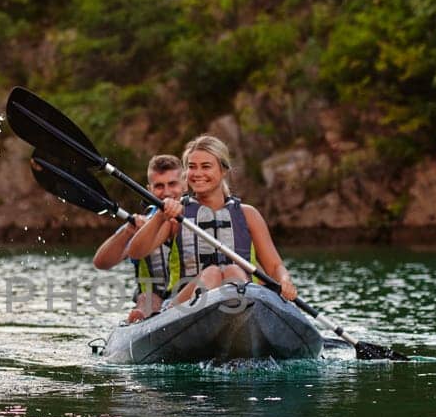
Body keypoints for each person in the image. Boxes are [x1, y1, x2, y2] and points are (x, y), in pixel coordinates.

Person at [126, 134, 297, 304]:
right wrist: (159, 217)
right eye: (192, 167)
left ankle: (239, 316)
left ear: (223, 170)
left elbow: (274, 267)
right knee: (212, 273)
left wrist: (284, 280)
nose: (198, 173)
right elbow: (136, 252)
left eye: (206, 166)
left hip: (241, 298)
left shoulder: (248, 214)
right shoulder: (176, 215)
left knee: (233, 271)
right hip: (183, 305)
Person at [92, 155, 184, 322]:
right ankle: (140, 319)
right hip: (152, 302)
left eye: (172, 184)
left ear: (184, 184)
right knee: (147, 298)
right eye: (159, 186)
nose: (167, 192)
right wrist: (127, 231)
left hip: (188, 297)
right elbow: (101, 263)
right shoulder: (140, 225)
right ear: (149, 189)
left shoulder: (200, 217)